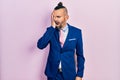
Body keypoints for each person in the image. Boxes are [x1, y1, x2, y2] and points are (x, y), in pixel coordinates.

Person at [37, 2, 85, 80]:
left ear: (66, 17)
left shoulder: (76, 32)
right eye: (54, 17)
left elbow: (80, 55)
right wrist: (52, 27)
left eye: (58, 17)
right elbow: (40, 45)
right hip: (53, 75)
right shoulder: (50, 32)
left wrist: (79, 75)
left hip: (69, 75)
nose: (55, 19)